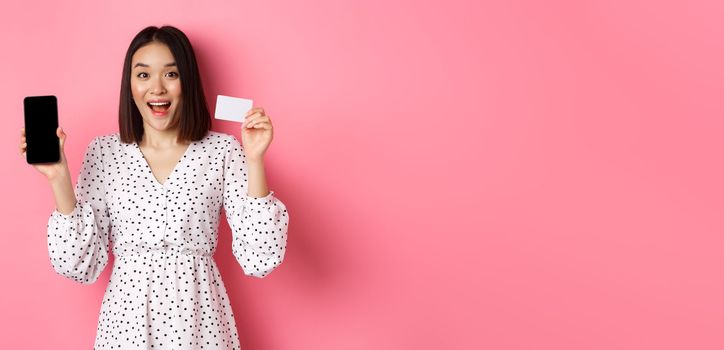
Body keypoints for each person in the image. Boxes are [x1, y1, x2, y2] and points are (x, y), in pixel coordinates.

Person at [19, 25, 289, 349]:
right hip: (126, 326)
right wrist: (58, 177)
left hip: (199, 324)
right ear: (129, 85)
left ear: (186, 81)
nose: (157, 88)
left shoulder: (223, 150)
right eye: (144, 75)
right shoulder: (105, 152)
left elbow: (261, 256)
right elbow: (79, 264)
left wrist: (255, 158)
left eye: (171, 74)